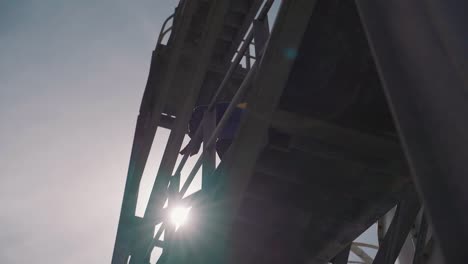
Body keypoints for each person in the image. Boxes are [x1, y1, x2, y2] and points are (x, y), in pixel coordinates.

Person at [180, 102, 246, 159]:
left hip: (240, 124)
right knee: (221, 146)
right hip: (237, 126)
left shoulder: (198, 112)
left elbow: (202, 120)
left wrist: (195, 140)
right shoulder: (199, 113)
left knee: (222, 147)